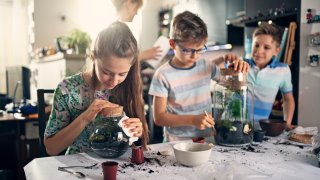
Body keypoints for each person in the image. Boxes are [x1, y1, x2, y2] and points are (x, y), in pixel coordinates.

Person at [44, 21, 149, 156]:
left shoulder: (128, 87)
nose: (114, 80)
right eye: (107, 72)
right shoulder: (67, 90)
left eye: (122, 74)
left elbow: (134, 143)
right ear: (93, 57)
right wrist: (85, 117)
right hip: (77, 164)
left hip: (118, 162)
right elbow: (52, 148)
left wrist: (136, 131)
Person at [148, 11, 249, 142]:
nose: (194, 56)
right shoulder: (162, 75)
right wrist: (192, 120)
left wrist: (239, 67)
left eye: (200, 49)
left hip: (207, 138)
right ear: (172, 44)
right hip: (176, 141)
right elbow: (159, 118)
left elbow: (232, 84)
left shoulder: (206, 66)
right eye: (187, 50)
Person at [244, 22, 295, 130]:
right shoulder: (241, 65)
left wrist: (288, 123)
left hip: (261, 129)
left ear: (276, 51)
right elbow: (213, 70)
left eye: (266, 47)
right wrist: (224, 58)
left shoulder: (283, 70)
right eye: (256, 45)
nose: (259, 51)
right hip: (232, 125)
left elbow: (288, 99)